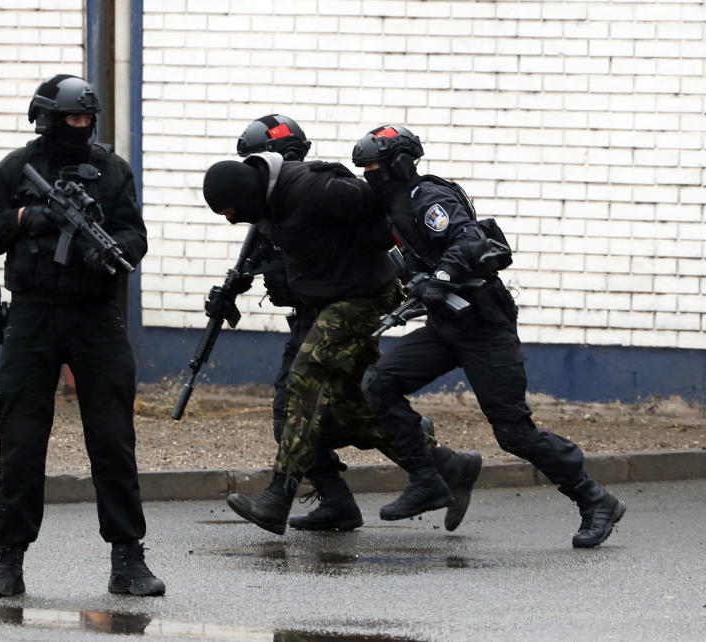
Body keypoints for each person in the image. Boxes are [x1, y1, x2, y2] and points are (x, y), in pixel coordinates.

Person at [353, 125, 626, 548]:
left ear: (401, 164)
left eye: (376, 168)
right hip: (446, 326)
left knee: (513, 432)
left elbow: (468, 238)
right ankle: (432, 476)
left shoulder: (428, 199)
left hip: (483, 325)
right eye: (366, 169)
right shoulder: (393, 208)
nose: (372, 176)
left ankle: (595, 499)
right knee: (379, 383)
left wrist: (442, 276)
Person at [201, 148, 482, 536]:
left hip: (364, 296)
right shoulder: (269, 206)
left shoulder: (311, 187)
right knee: (351, 408)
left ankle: (277, 498)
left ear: (245, 196)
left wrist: (398, 254)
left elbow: (380, 202)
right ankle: (444, 467)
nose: (230, 220)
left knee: (305, 376)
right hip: (332, 302)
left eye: (229, 210)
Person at [0, 74, 165, 597]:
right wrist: (29, 216)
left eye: (87, 120)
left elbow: (134, 236)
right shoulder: (17, 169)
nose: (80, 127)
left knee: (114, 439)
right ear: (47, 118)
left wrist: (107, 249)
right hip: (32, 317)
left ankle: (129, 559)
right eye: (71, 119)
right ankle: (7, 561)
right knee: (21, 441)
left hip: (95, 317)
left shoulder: (111, 171)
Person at [233, 114, 362, 531]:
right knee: (294, 412)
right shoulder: (271, 205)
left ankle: (437, 458)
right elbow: (259, 258)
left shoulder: (316, 193)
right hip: (305, 320)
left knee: (335, 413)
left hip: (336, 320)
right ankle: (337, 500)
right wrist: (231, 288)